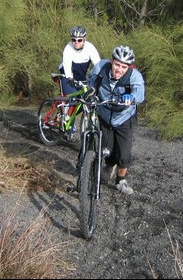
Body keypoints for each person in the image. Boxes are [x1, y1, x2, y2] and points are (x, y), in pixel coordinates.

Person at [88, 45, 145, 195]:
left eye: (123, 67)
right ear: (112, 61)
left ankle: (121, 181)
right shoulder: (100, 67)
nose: (119, 69)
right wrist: (91, 93)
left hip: (124, 117)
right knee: (107, 151)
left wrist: (131, 97)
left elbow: (140, 93)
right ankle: (110, 164)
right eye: (117, 64)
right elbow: (92, 82)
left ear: (129, 67)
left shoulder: (134, 76)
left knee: (124, 154)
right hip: (105, 115)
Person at [59, 26, 101, 140]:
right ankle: (68, 124)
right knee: (72, 99)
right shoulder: (68, 48)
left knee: (85, 100)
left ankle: (80, 119)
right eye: (73, 40)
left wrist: (99, 78)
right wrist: (69, 78)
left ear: (84, 39)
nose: (76, 42)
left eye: (79, 40)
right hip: (67, 75)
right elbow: (67, 64)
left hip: (81, 76)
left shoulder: (90, 48)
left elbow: (98, 65)